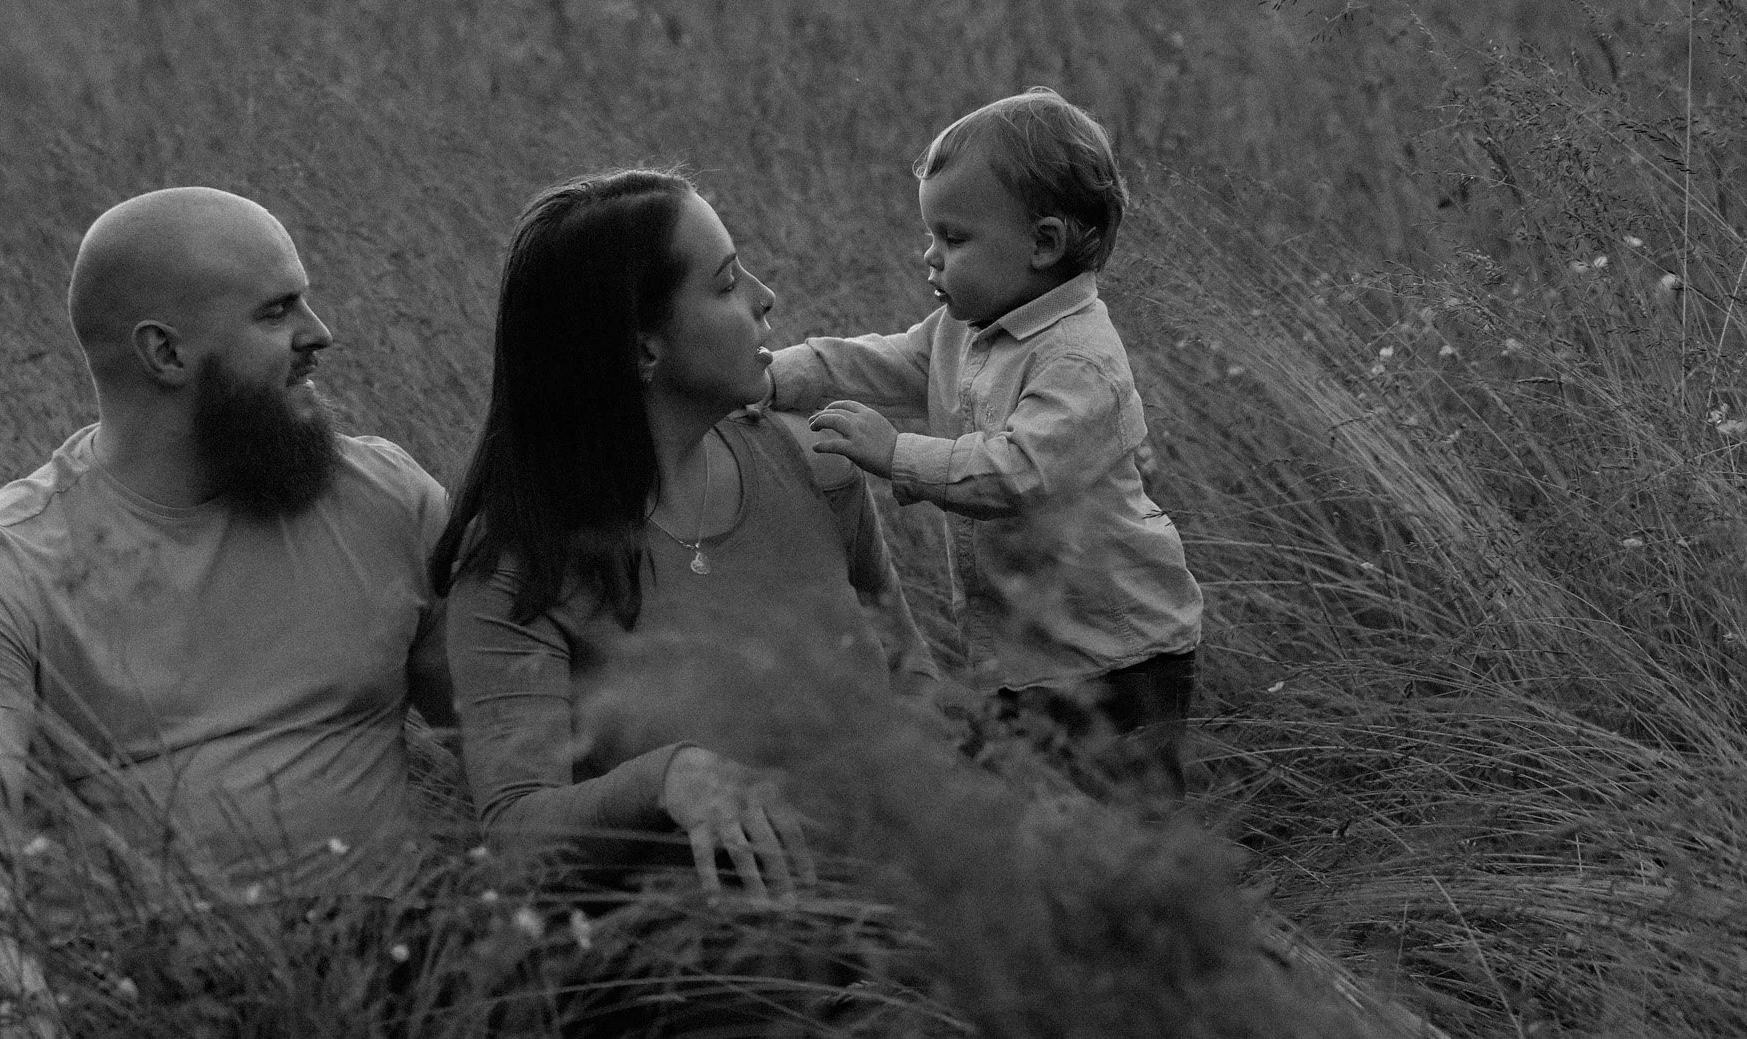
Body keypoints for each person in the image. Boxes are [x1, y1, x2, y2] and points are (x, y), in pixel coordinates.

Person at [0, 187, 454, 1036]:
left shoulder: (385, 500)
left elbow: (519, 727)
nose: (320, 332)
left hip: (396, 976)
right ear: (165, 352)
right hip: (148, 993)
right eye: (277, 311)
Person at [434, 170, 934, 899]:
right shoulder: (519, 564)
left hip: (898, 927)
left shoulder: (818, 466)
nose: (766, 297)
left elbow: (909, 673)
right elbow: (519, 835)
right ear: (643, 350)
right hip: (699, 974)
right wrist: (666, 776)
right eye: (727, 284)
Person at [770, 88, 1204, 799]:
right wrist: (774, 375)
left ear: (1044, 243)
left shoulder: (1080, 361)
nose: (931, 256)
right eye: (933, 235)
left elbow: (1017, 471)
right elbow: (882, 359)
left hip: (1118, 655)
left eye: (954, 238)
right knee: (1036, 810)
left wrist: (895, 452)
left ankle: (1158, 908)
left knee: (1126, 820)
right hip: (1030, 651)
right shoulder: (967, 328)